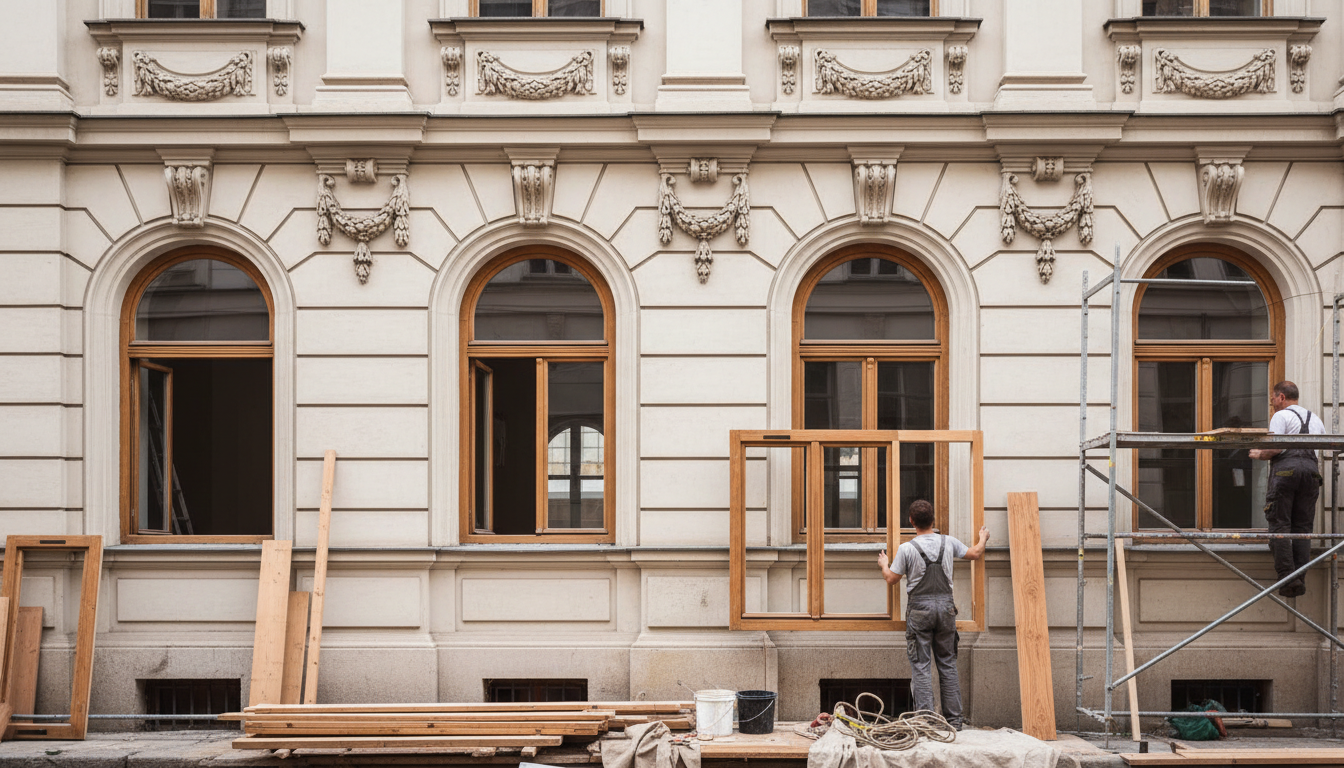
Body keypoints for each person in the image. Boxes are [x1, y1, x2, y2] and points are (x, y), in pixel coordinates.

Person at [876, 500, 989, 729]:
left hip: (919, 611)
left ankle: (927, 721)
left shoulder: (907, 549)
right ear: (933, 520)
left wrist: (884, 564)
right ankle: (954, 720)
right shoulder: (948, 542)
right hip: (946, 610)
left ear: (911, 521)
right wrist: (983, 538)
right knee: (947, 664)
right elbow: (975, 553)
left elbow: (891, 579)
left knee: (921, 666)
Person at [1249, 380, 1325, 597]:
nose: (1272, 404)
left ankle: (1287, 578)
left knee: (1280, 525)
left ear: (1281, 397)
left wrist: (1259, 454)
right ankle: (1300, 577)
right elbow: (1319, 451)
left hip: (1286, 472)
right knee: (1302, 529)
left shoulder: (1281, 415)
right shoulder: (1316, 419)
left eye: (1273, 399)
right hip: (1311, 474)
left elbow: (1276, 447)